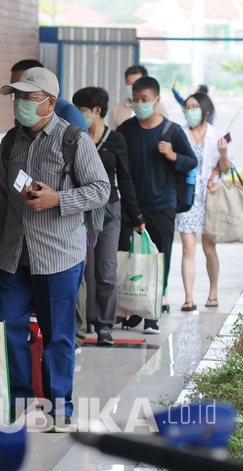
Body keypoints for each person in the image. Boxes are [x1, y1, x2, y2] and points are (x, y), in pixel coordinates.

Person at [0, 68, 110, 428]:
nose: (20, 104)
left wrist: (59, 198)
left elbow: (100, 189)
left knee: (58, 336)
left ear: (50, 103)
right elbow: (0, 200)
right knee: (9, 329)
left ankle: (60, 407)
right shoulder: (11, 141)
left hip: (59, 257)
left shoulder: (74, 139)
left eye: (28, 97)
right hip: (14, 257)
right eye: (17, 97)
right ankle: (21, 402)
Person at [116, 76, 198, 334]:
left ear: (157, 100)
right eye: (135, 100)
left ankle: (152, 313)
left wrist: (173, 155)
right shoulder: (126, 130)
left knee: (160, 258)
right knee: (129, 258)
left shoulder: (172, 131)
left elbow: (191, 161)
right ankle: (132, 311)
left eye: (145, 100)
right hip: (130, 205)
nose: (140, 104)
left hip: (162, 204)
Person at [72, 86, 145, 346]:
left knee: (105, 269)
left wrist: (136, 215)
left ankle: (104, 325)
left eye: (82, 110)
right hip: (79, 209)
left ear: (97, 111)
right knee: (80, 269)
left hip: (109, 210)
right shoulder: (75, 137)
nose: (78, 115)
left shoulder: (115, 140)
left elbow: (125, 177)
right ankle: (83, 321)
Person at [0, 59, 87, 178]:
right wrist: (0, 166)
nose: (20, 100)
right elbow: (26, 156)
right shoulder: (17, 126)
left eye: (27, 93)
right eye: (16, 92)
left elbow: (86, 169)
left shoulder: (69, 116)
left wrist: (57, 197)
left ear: (51, 103)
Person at [176, 92, 230, 311]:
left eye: (195, 106)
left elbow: (226, 169)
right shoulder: (179, 134)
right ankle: (188, 297)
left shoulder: (217, 135)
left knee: (209, 247)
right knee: (188, 247)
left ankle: (213, 291)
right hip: (186, 197)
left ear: (206, 111)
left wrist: (223, 152)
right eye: (187, 107)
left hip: (210, 197)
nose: (190, 110)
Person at [109, 65, 169, 130]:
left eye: (136, 82)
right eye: (129, 83)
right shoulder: (117, 110)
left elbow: (166, 130)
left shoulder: (159, 107)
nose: (133, 86)